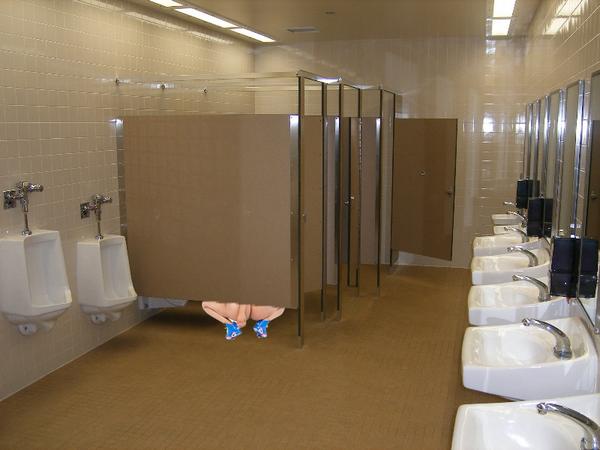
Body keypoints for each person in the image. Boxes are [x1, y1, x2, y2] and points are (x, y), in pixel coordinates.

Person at [201, 302, 285, 340]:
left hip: (234, 309)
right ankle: (263, 323)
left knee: (205, 305)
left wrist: (241, 313)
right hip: (256, 310)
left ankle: (230, 326)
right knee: (282, 305)